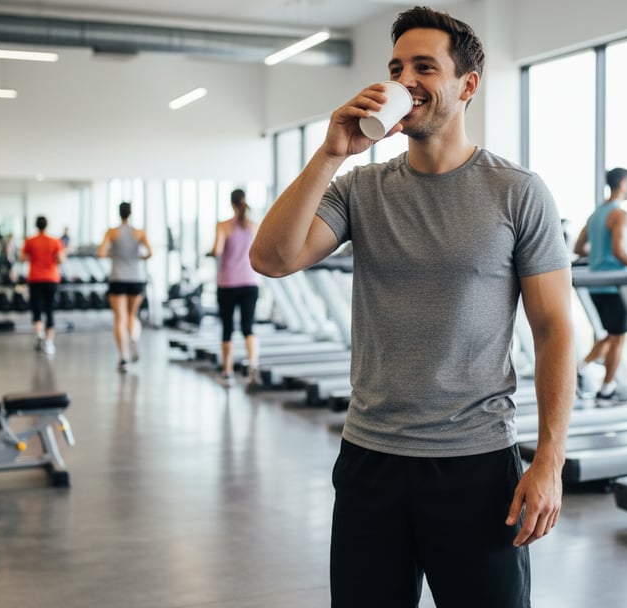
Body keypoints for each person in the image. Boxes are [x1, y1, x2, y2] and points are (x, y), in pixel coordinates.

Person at [249, 7, 576, 608]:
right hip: (370, 461)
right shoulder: (359, 190)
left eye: (425, 66)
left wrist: (549, 459)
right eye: (397, 67)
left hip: (476, 468)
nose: (406, 80)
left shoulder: (517, 192)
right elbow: (271, 259)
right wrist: (330, 153)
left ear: (467, 84)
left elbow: (554, 328)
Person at [573, 167, 627, 401]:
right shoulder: (620, 215)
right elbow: (620, 251)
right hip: (616, 285)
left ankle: (580, 368)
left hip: (596, 284)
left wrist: (598, 259)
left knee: (611, 335)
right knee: (618, 338)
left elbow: (578, 248)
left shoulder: (596, 215)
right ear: (623, 183)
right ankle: (606, 388)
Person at [208, 189, 261, 387]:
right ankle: (253, 365)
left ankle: (227, 373)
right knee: (248, 327)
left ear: (231, 204)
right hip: (250, 282)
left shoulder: (223, 226)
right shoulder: (253, 226)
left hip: (228, 283)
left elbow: (217, 250)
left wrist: (210, 253)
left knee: (227, 328)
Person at [97, 202, 152, 373]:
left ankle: (124, 358)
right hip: (136, 277)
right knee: (131, 315)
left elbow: (100, 252)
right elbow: (150, 253)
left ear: (119, 213)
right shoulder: (139, 232)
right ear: (131, 212)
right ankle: (134, 338)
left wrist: (114, 254)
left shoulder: (112, 232)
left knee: (119, 319)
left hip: (118, 277)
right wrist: (138, 257)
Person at [20, 216, 65, 355]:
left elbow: (22, 258)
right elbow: (61, 260)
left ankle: (39, 334)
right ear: (46, 225)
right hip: (51, 278)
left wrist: (33, 258)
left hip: (35, 278)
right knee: (49, 309)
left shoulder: (30, 241)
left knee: (37, 308)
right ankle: (49, 343)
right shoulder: (55, 241)